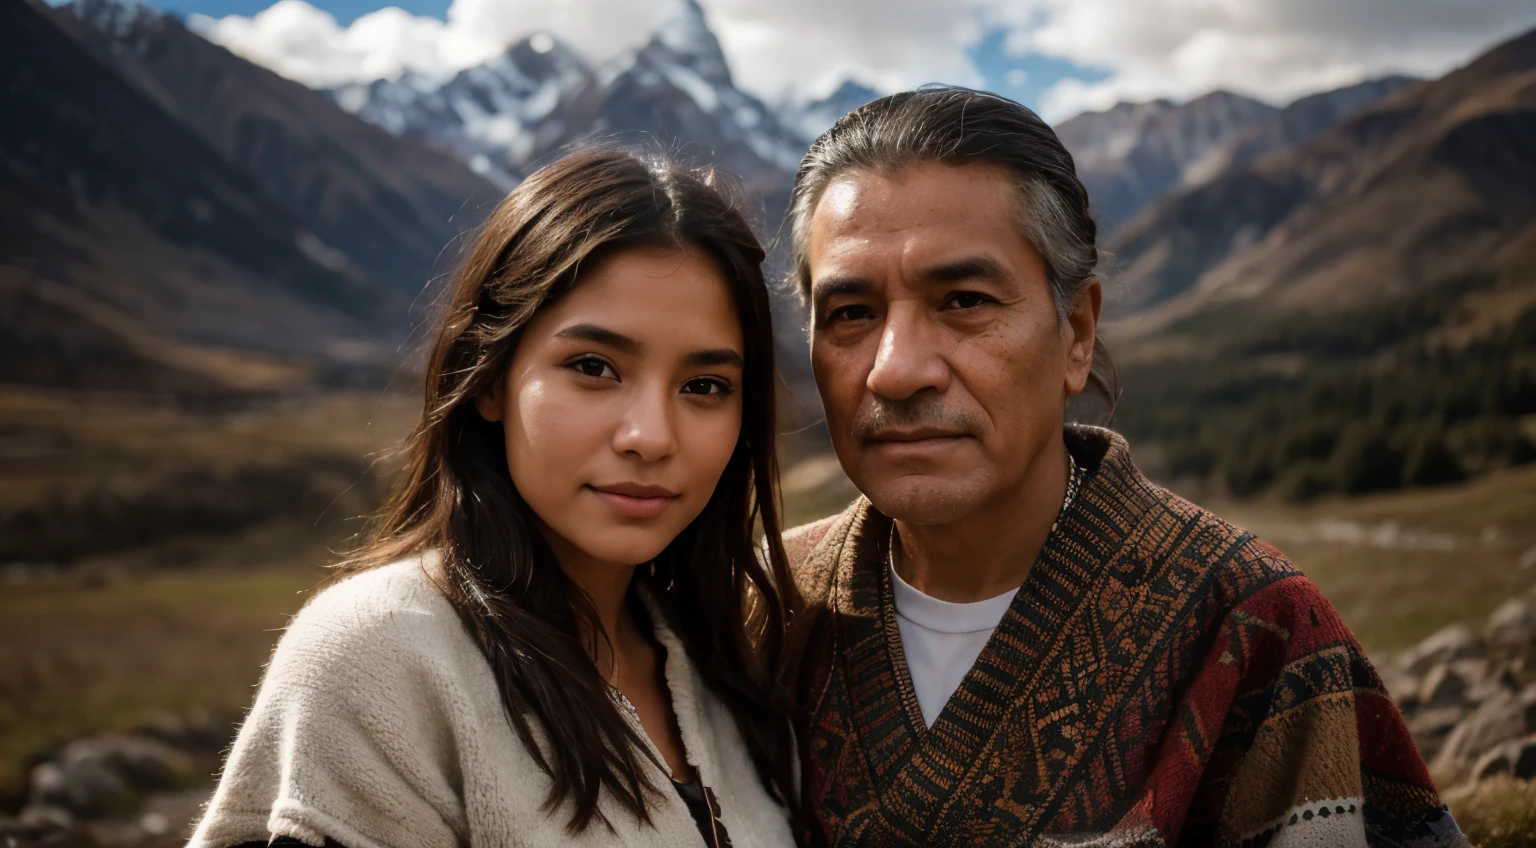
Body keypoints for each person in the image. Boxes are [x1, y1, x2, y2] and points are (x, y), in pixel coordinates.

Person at [781, 87, 1465, 847]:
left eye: (965, 300)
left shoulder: (1256, 626)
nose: (895, 370)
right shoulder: (756, 609)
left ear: (1076, 333)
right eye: (851, 314)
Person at [189, 148, 800, 848]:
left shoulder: (729, 665)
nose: (651, 437)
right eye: (593, 367)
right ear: (488, 379)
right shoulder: (381, 656)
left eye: (705, 386)